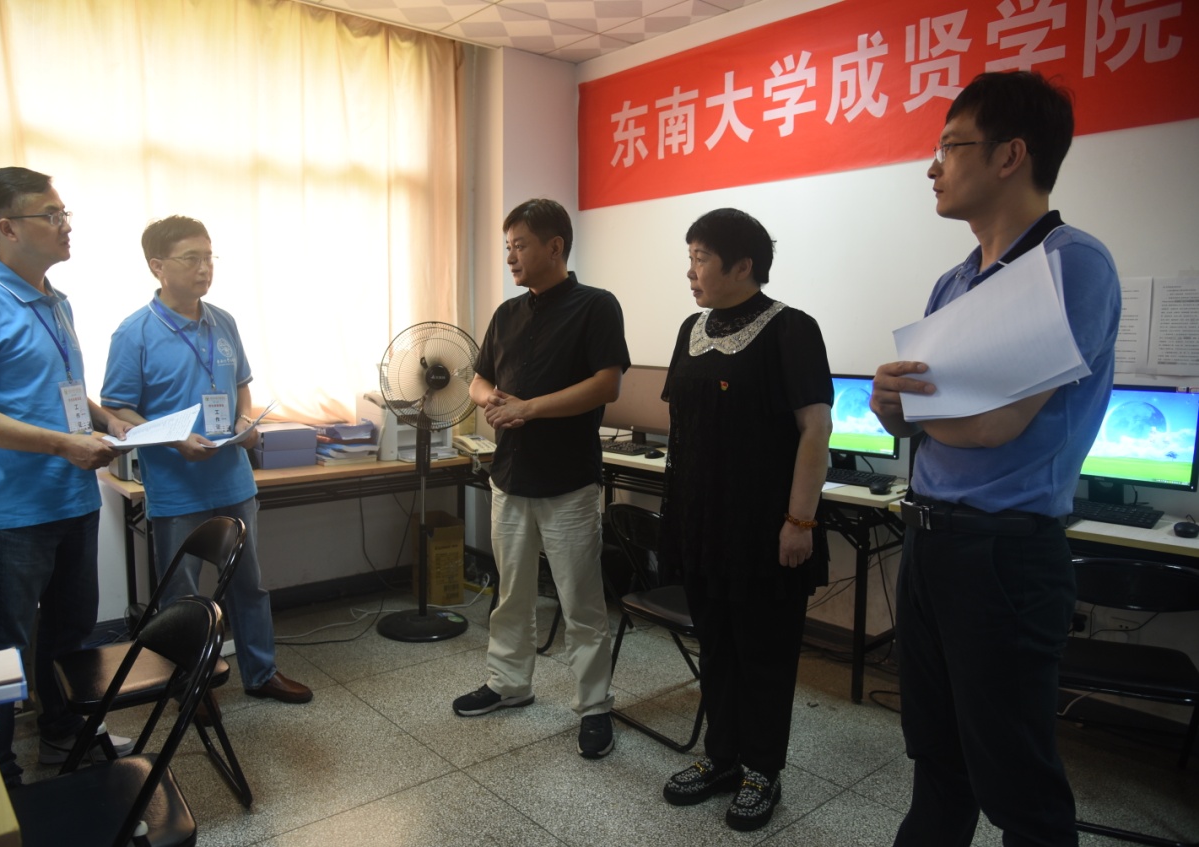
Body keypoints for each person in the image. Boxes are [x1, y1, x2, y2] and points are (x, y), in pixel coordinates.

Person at [871, 71, 1120, 847]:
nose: (932, 166)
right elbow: (922, 419)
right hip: (929, 539)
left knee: (1018, 787)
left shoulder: (1071, 262)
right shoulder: (953, 280)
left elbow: (993, 426)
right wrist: (889, 406)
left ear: (1010, 155)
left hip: (1003, 556)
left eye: (950, 146)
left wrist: (914, 410)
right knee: (935, 761)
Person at [0, 167, 134, 786]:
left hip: (73, 495)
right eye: (51, 214)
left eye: (65, 213)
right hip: (17, 509)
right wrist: (62, 444)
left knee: (72, 630)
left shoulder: (55, 300)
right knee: (4, 645)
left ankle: (62, 734)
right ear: (8, 228)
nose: (65, 224)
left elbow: (60, 390)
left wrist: (107, 420)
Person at [657, 208, 832, 831]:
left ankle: (763, 770)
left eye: (701, 258)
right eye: (690, 257)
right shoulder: (692, 329)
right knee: (717, 648)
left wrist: (799, 521)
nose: (691, 271)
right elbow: (686, 426)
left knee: (764, 653)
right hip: (702, 522)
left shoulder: (792, 329)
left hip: (765, 527)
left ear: (742, 266)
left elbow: (816, 429)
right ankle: (722, 757)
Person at [101, 215, 311, 704]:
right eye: (191, 258)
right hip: (177, 485)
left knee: (249, 584)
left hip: (232, 478)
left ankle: (261, 673)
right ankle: (190, 686)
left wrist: (244, 421)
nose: (204, 267)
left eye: (209, 257)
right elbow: (117, 409)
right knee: (182, 595)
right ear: (157, 266)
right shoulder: (134, 332)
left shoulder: (223, 321)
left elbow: (241, 386)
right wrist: (175, 440)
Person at [452, 198, 629, 759]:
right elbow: (478, 380)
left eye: (520, 245)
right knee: (511, 593)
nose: (511, 256)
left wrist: (528, 408)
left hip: (568, 481)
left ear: (555, 247)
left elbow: (606, 384)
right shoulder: (507, 313)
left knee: (581, 601)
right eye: (507, 246)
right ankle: (509, 683)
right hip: (510, 475)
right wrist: (494, 400)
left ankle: (594, 706)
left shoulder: (596, 306)